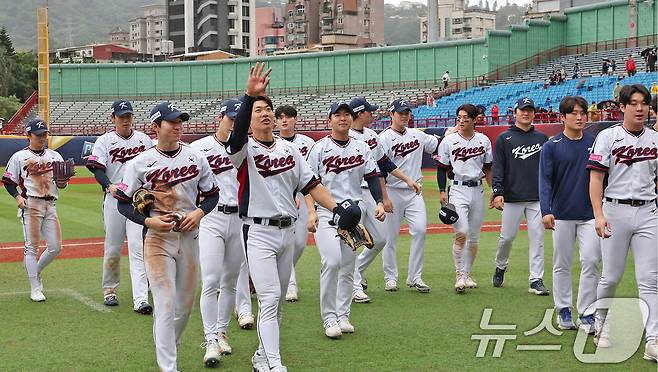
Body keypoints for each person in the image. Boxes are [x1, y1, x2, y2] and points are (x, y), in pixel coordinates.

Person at [226, 62, 354, 372]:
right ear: (249, 119)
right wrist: (248, 96)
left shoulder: (289, 149)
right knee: (269, 298)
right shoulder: (243, 151)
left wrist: (338, 210)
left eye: (267, 108)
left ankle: (261, 356)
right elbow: (235, 139)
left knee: (277, 302)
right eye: (258, 110)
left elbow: (312, 185)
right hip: (257, 232)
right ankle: (274, 363)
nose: (265, 113)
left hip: (287, 231)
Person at [114, 102, 220, 372]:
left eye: (180, 121)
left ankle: (169, 345)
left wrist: (198, 213)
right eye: (171, 122)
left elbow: (212, 195)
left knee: (184, 308)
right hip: (158, 240)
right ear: (155, 127)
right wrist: (148, 220)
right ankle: (169, 367)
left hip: (189, 237)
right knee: (165, 302)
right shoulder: (140, 163)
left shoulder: (195, 157)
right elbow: (123, 203)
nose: (177, 126)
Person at [586, 84, 657, 362]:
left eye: (644, 104)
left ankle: (653, 340)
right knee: (611, 276)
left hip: (649, 212)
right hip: (614, 210)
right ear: (623, 107)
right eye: (634, 103)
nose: (640, 108)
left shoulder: (655, 139)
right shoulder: (608, 136)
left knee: (650, 279)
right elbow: (595, 179)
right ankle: (600, 320)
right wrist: (599, 214)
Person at [305, 101, 386, 339]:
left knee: (348, 267)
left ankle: (343, 315)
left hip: (353, 215)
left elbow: (373, 177)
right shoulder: (319, 149)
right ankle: (329, 317)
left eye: (346, 114)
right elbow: (307, 185)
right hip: (326, 213)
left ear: (352, 119)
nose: (343, 118)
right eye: (337, 115)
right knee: (331, 262)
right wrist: (310, 212)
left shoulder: (361, 147)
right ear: (329, 120)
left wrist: (380, 202)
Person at [189, 98, 254, 367]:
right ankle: (210, 340)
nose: (233, 124)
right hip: (211, 218)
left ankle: (222, 331)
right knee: (212, 280)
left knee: (229, 281)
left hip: (238, 217)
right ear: (221, 117)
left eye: (238, 121)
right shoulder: (199, 147)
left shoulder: (247, 147)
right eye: (230, 118)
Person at [348, 97, 420, 303]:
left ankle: (358, 271)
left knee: (380, 239)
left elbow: (384, 163)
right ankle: (353, 286)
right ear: (360, 114)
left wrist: (407, 179)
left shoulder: (371, 135)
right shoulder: (346, 136)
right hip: (351, 194)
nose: (373, 113)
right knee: (352, 241)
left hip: (370, 192)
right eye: (369, 111)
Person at [539, 96, 600, 333]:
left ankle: (587, 313)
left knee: (592, 260)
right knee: (562, 263)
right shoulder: (551, 146)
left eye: (582, 112)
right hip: (561, 215)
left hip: (590, 214)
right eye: (573, 113)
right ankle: (563, 309)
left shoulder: (595, 143)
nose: (579, 117)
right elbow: (544, 181)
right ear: (562, 117)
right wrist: (546, 210)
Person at [86, 100, 152, 312]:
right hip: (115, 201)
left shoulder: (143, 140)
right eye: (121, 116)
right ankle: (110, 289)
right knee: (113, 248)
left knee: (138, 248)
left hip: (137, 201)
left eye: (128, 116)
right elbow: (97, 169)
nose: (125, 120)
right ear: (113, 118)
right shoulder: (105, 141)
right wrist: (109, 186)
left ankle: (141, 298)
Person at [2, 118, 70, 302]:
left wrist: (63, 182)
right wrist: (17, 196)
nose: (42, 138)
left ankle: (36, 271)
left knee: (55, 247)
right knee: (31, 247)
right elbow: (8, 181)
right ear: (28, 135)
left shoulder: (55, 156)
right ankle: (35, 288)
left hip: (50, 204)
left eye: (45, 134)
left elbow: (61, 185)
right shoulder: (18, 157)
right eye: (38, 135)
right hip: (31, 204)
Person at [379, 98, 439, 293]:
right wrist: (384, 196)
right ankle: (390, 277)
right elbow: (380, 169)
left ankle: (415, 277)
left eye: (407, 112)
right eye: (400, 113)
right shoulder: (384, 138)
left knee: (420, 231)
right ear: (391, 115)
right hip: (393, 190)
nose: (404, 116)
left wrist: (453, 131)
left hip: (415, 191)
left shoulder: (417, 135)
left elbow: (436, 142)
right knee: (390, 237)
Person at [491, 97, 549, 295]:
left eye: (530, 110)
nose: (526, 113)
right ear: (515, 112)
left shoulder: (541, 139)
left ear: (534, 113)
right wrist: (497, 191)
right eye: (523, 110)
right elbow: (498, 167)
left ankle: (536, 279)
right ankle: (501, 265)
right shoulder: (504, 138)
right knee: (506, 238)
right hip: (512, 197)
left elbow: (547, 169)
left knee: (538, 238)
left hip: (537, 197)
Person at [437, 103, 493, 293]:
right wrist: (442, 190)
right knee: (462, 231)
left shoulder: (483, 140)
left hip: (477, 189)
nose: (461, 121)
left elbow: (488, 168)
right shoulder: (449, 141)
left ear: (474, 119)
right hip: (458, 189)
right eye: (459, 117)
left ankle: (467, 273)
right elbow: (441, 167)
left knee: (474, 238)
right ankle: (459, 274)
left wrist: (493, 189)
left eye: (465, 118)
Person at [274, 104, 316, 302]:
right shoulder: (271, 143)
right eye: (280, 117)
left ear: (295, 120)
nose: (284, 120)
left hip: (305, 193)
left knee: (299, 243)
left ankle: (282, 271)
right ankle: (290, 284)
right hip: (281, 196)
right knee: (287, 241)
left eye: (288, 117)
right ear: (275, 121)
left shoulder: (308, 143)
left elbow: (311, 173)